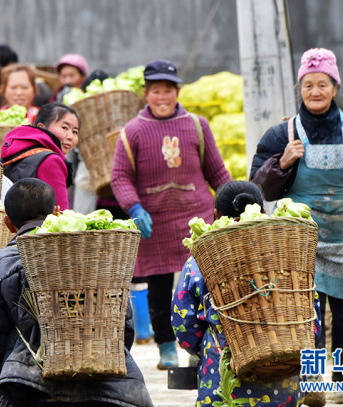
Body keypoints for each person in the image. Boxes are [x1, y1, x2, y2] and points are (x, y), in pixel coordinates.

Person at [250, 48, 343, 405]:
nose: (315, 92)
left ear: (335, 87)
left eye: (323, 85)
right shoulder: (279, 134)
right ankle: (312, 382)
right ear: (300, 88)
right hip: (302, 238)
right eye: (308, 85)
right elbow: (257, 187)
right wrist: (281, 163)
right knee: (306, 314)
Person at [0, 177, 154, 407]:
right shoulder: (95, 254)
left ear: (7, 223)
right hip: (111, 389)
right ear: (57, 212)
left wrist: (10, 371)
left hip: (30, 390)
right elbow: (123, 324)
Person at [111, 59, 232, 370]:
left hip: (198, 217)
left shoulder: (197, 126)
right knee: (160, 288)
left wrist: (236, 201)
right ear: (146, 94)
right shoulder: (133, 132)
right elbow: (120, 177)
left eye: (168, 90)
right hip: (155, 222)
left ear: (177, 92)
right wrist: (134, 208)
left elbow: (217, 172)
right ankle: (166, 346)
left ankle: (203, 345)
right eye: (155, 91)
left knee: (204, 284)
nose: (162, 97)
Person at [172, 181, 322, 407]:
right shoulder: (289, 257)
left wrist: (201, 349)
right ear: (262, 212)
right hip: (283, 389)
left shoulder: (199, 262)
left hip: (221, 383)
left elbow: (184, 325)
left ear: (215, 215)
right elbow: (313, 322)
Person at [0, 103, 79, 209]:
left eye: (75, 132)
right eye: (64, 128)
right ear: (42, 127)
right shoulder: (51, 161)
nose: (70, 137)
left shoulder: (16, 151)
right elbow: (60, 213)